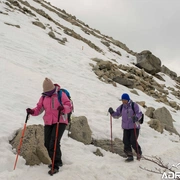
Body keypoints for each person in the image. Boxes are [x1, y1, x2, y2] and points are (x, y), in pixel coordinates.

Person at [26, 78, 72, 173]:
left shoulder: (60, 94)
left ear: (53, 88)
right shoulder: (44, 97)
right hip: (48, 122)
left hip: (60, 121)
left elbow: (69, 105)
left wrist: (63, 108)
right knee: (47, 143)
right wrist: (32, 111)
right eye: (46, 92)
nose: (48, 94)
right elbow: (39, 108)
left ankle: (55, 165)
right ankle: (57, 161)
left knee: (54, 142)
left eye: (50, 92)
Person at [108, 93, 143, 162]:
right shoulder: (122, 107)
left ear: (128, 99)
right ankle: (129, 156)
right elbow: (117, 115)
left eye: (125, 100)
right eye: (122, 100)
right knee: (126, 141)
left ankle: (139, 153)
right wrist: (112, 112)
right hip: (126, 127)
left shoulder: (134, 105)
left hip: (134, 127)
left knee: (133, 141)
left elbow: (140, 113)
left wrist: (136, 117)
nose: (123, 101)